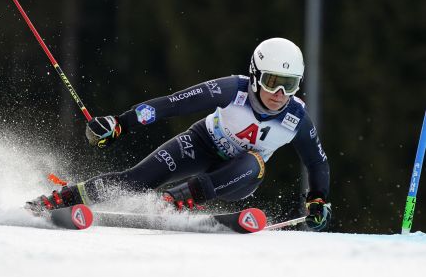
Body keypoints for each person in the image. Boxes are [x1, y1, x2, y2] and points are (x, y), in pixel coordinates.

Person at [26, 37, 332, 231]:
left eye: (289, 85)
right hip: (201, 143)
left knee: (254, 161)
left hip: (239, 176)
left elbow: (317, 163)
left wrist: (318, 200)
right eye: (272, 81)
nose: (279, 93)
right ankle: (59, 199)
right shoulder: (231, 90)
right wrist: (121, 124)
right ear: (255, 76)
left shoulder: (296, 119)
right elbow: (172, 104)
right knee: (135, 180)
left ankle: (173, 201)